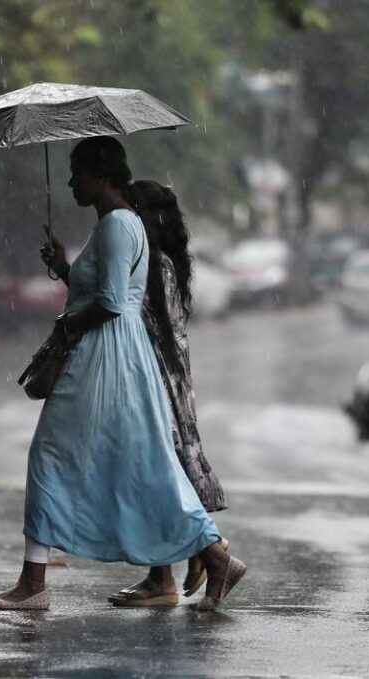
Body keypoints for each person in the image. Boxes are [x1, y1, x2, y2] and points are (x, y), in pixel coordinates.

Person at [0, 136, 245, 612]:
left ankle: (33, 585)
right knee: (142, 464)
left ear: (101, 175)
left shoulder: (118, 224)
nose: (73, 182)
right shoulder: (121, 223)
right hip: (116, 354)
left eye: (78, 173)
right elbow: (104, 288)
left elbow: (114, 302)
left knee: (51, 455)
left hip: (105, 358)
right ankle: (215, 555)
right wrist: (65, 268)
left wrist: (66, 325)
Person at [107, 179, 229, 607]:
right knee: (159, 474)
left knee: (157, 474)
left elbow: (120, 310)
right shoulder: (169, 262)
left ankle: (201, 557)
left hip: (152, 382)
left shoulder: (151, 264)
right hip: (169, 380)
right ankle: (173, 569)